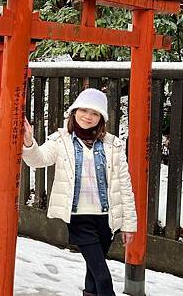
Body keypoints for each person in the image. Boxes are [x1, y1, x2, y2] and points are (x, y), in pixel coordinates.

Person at [22, 88, 137, 296]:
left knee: (93, 273)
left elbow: (124, 185)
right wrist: (29, 143)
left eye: (94, 113)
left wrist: (129, 225)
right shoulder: (61, 140)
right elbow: (38, 160)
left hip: (106, 218)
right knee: (102, 277)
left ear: (101, 118)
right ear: (74, 112)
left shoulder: (113, 145)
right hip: (78, 217)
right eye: (83, 110)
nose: (88, 116)